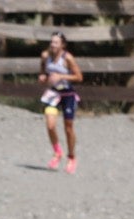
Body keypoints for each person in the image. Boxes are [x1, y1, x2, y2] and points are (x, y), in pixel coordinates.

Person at [38, 33, 83, 174]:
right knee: (50, 125)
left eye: (56, 43)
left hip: (68, 94)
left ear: (62, 45)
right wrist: (43, 76)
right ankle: (57, 152)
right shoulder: (45, 56)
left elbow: (79, 77)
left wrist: (61, 76)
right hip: (53, 93)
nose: (53, 45)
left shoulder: (67, 58)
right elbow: (43, 70)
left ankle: (71, 157)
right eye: (52, 42)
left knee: (68, 127)